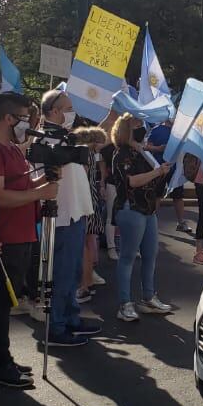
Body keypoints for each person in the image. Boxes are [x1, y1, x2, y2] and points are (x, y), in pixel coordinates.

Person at [0, 92, 52, 381]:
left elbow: (21, 184)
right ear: (8, 118)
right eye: (24, 118)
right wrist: (40, 193)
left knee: (9, 300)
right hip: (5, 237)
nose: (29, 123)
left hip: (23, 234)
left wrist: (45, 178)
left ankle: (1, 356)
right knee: (1, 301)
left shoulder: (12, 147)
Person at [38, 88, 101, 348]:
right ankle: (57, 326)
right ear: (54, 111)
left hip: (76, 210)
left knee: (73, 270)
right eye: (67, 108)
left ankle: (71, 317)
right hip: (61, 214)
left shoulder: (66, 137)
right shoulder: (45, 139)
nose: (71, 113)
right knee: (62, 273)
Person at [110, 113, 175, 323]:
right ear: (127, 129)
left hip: (147, 210)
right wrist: (157, 174)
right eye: (137, 123)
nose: (142, 127)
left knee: (150, 254)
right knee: (128, 256)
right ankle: (124, 303)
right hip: (131, 208)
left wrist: (161, 172)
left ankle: (148, 297)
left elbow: (150, 179)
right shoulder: (121, 155)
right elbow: (132, 182)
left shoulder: (141, 153)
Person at [72, 125, 109, 303]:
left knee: (83, 244)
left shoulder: (84, 155)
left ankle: (84, 285)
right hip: (90, 200)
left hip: (84, 202)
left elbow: (82, 179)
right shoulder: (91, 154)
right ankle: (88, 281)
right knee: (88, 242)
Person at [144, 117, 192, 234]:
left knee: (178, 196)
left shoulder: (180, 132)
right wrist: (158, 148)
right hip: (159, 168)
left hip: (175, 170)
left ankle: (181, 222)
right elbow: (147, 146)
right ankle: (152, 222)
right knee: (157, 196)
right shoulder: (156, 130)